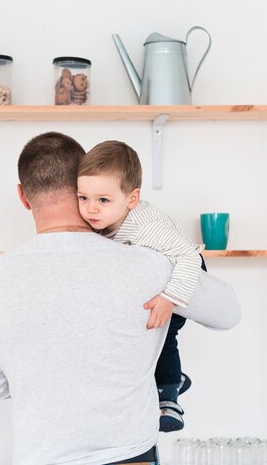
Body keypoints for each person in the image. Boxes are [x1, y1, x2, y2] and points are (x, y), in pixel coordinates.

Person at [0, 131, 240, 465]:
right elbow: (228, 313)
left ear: (23, 195)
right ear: (81, 183)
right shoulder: (150, 263)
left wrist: (53, 378)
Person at [77, 140, 203, 433]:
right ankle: (172, 380)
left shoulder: (146, 225)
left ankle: (169, 395)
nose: (90, 209)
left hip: (183, 267)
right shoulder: (100, 222)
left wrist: (171, 297)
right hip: (154, 275)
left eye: (103, 200)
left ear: (131, 199)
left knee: (165, 331)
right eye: (83, 197)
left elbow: (187, 256)